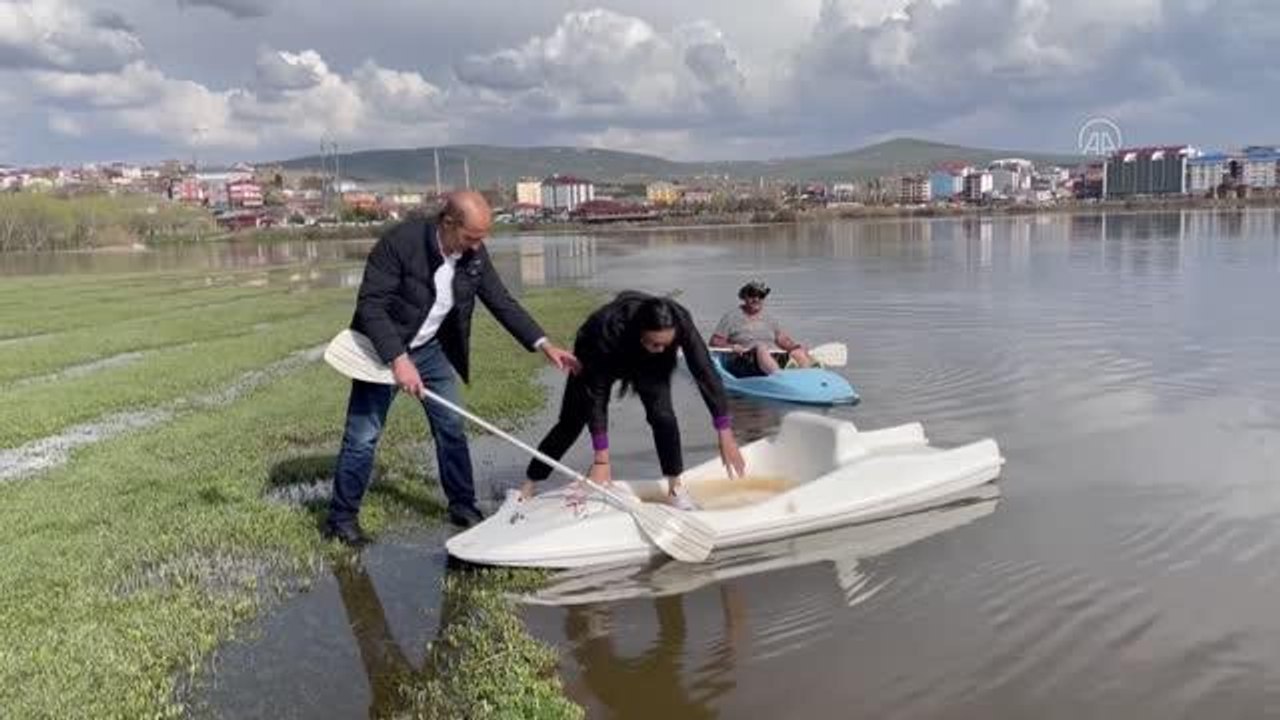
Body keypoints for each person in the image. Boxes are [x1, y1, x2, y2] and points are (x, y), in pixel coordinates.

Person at [325, 191, 579, 547]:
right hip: (380, 351)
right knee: (362, 437)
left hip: (432, 351)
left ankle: (462, 505)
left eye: (483, 238)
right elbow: (371, 305)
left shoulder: (472, 253)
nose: (478, 246)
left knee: (451, 429)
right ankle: (341, 519)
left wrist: (543, 344)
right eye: (472, 237)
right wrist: (398, 360)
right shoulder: (401, 244)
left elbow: (500, 300)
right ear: (447, 223)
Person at [519, 291, 746, 511]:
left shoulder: (680, 322)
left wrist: (725, 433)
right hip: (598, 353)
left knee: (663, 416)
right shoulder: (605, 329)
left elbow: (705, 371)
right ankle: (527, 487)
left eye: (667, 345)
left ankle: (675, 488)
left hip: (646, 365)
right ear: (640, 333)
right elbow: (596, 396)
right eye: (655, 344)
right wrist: (601, 461)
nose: (661, 350)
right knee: (571, 422)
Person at [708, 280, 812, 377]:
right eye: (752, 295)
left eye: (760, 296)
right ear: (744, 297)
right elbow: (714, 342)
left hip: (772, 358)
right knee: (761, 347)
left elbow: (782, 339)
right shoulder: (730, 317)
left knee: (797, 351)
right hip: (743, 361)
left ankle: (809, 378)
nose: (756, 299)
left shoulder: (770, 318)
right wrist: (732, 346)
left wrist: (795, 347)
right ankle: (779, 378)